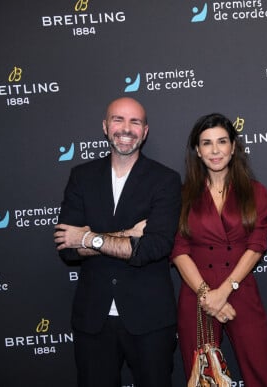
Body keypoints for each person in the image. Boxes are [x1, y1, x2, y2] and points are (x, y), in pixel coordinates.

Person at [53, 97, 181, 387]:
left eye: (135, 122)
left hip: (149, 318)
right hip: (92, 317)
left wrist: (88, 236)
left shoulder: (165, 180)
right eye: (118, 120)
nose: (126, 128)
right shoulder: (81, 176)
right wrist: (127, 236)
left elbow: (153, 247)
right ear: (105, 126)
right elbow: (68, 247)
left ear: (145, 131)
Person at [171, 113, 267, 386]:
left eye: (222, 141)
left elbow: (257, 245)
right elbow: (178, 249)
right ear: (198, 151)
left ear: (233, 147)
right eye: (207, 143)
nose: (215, 150)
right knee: (203, 378)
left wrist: (224, 291)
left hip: (240, 291)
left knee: (262, 373)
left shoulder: (256, 192)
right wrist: (208, 296)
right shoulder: (182, 196)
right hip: (198, 298)